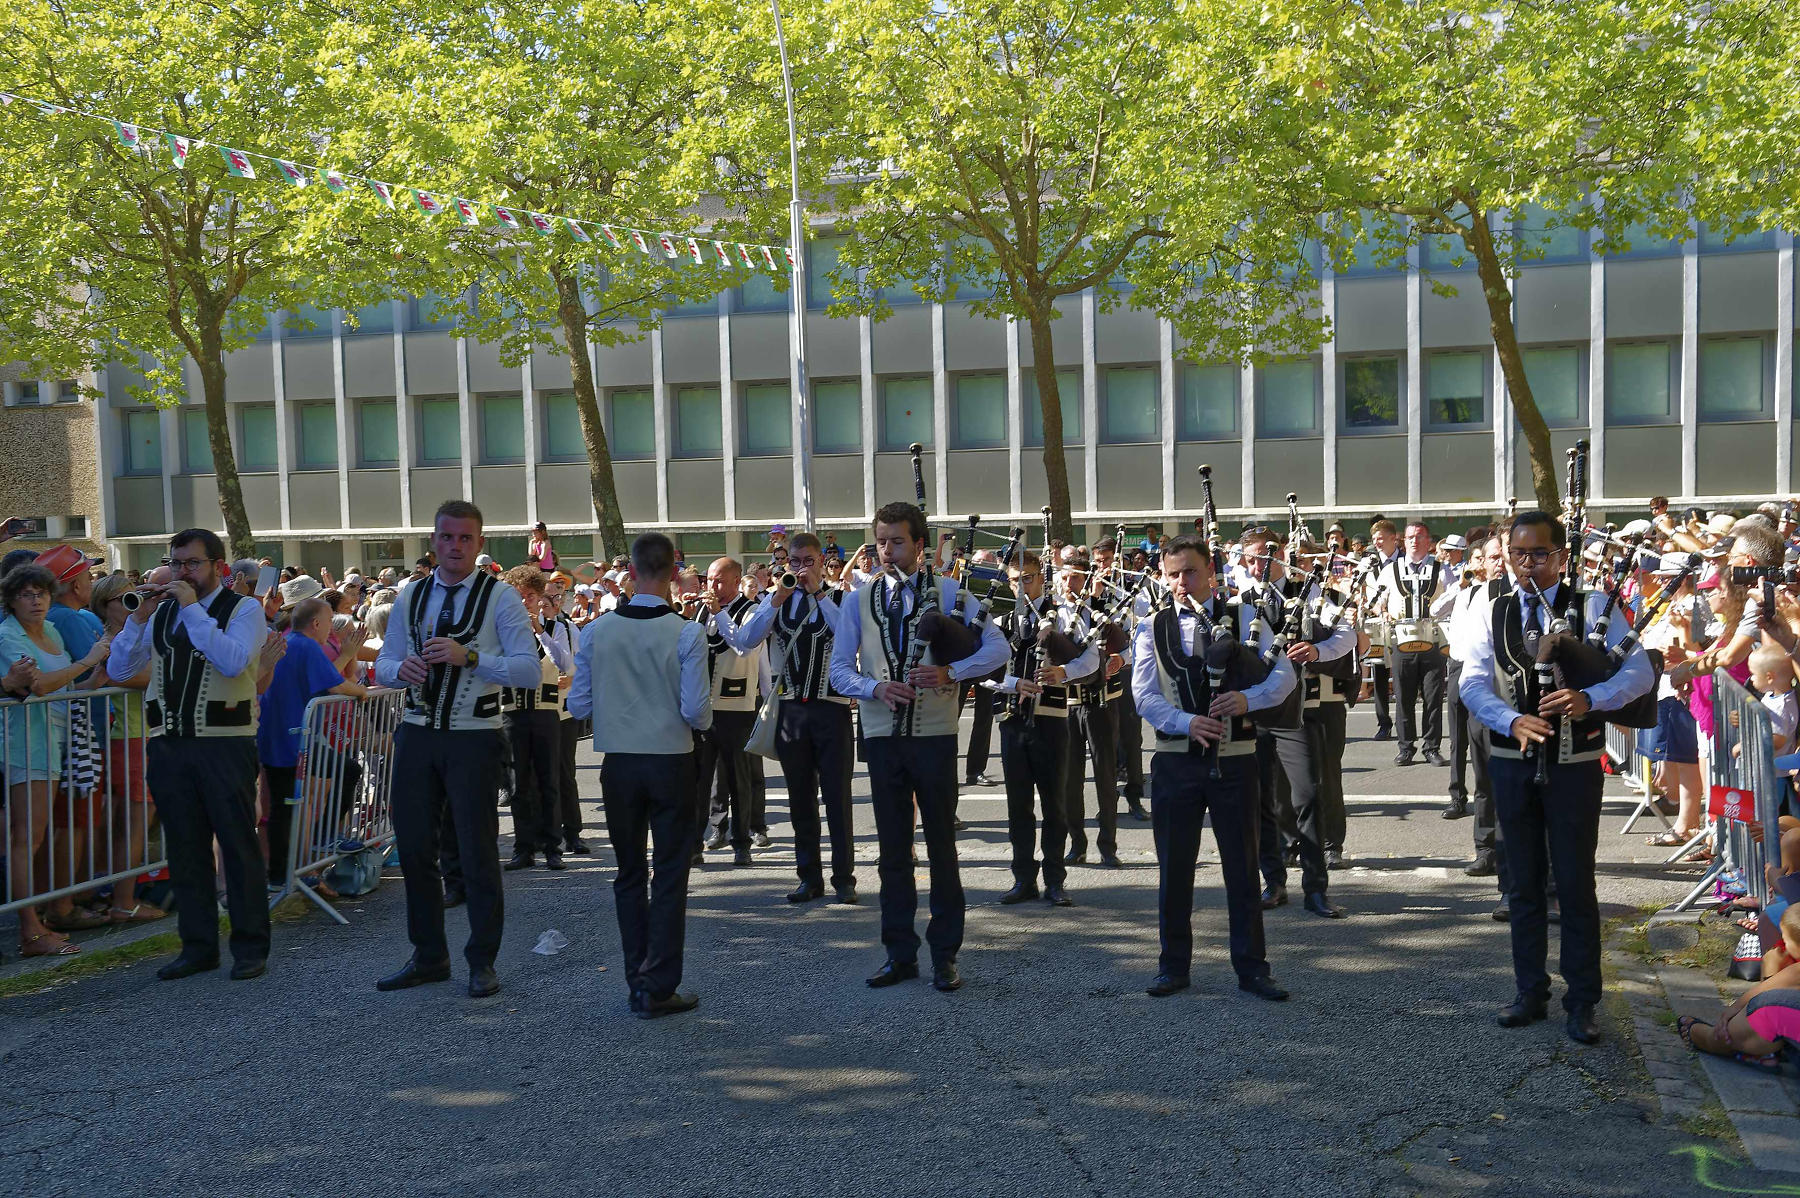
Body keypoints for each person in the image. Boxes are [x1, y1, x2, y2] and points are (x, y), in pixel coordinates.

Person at [1460, 510, 1654, 1044]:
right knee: (1521, 882)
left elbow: (1640, 673)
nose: (1527, 565)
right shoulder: (1488, 607)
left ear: (1561, 557)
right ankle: (1529, 991)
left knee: (1574, 883)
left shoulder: (1592, 606)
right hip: (1511, 760)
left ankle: (1582, 1000)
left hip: (1574, 765)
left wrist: (1590, 697)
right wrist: (1510, 719)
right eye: (1517, 554)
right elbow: (1473, 683)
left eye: (1539, 554)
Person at [829, 500, 1008, 992]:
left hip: (933, 736)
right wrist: (875, 688)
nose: (887, 551)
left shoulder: (952, 592)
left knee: (942, 848)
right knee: (891, 850)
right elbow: (839, 668)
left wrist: (952, 670)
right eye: (881, 541)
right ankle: (898, 953)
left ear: (920, 544)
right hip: (882, 736)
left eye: (897, 541)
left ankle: (946, 954)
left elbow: (999, 649)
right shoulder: (857, 600)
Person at [373, 501, 541, 999]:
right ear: (434, 540)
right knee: (417, 849)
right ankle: (428, 956)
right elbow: (384, 661)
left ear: (479, 543)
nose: (455, 546)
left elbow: (528, 670)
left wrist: (471, 656)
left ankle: (482, 960)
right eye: (447, 537)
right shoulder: (411, 594)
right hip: (418, 731)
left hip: (475, 734)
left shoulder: (502, 598)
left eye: (466, 539)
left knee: (477, 849)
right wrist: (398, 670)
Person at [1132, 535, 1295, 1001]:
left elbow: (1285, 677)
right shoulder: (1151, 626)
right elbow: (1144, 695)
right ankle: (1172, 966)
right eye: (1173, 574)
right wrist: (1187, 722)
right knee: (1175, 868)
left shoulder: (1246, 616)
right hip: (1175, 762)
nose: (1182, 582)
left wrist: (1248, 698)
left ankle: (1252, 968)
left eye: (1191, 572)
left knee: (1242, 869)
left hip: (1237, 760)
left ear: (1211, 574)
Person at [106, 529, 270, 981]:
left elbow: (233, 661)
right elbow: (119, 670)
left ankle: (251, 946)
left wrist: (193, 609)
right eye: (176, 563)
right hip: (170, 746)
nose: (181, 572)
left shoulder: (245, 609)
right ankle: (198, 947)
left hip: (225, 743)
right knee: (185, 849)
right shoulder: (161, 616)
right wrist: (136, 623)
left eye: (192, 564)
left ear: (218, 566)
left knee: (236, 846)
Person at [567, 532, 712, 1018]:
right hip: (670, 757)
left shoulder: (596, 631)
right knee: (670, 873)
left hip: (620, 762)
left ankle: (637, 981)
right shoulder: (687, 632)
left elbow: (578, 703)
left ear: (631, 572)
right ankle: (659, 983)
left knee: (629, 872)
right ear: (674, 572)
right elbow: (697, 712)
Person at [712, 532, 859, 904]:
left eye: (808, 561)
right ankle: (809, 877)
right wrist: (774, 601)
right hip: (792, 711)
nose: (800, 569)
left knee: (838, 798)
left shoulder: (841, 598)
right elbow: (745, 641)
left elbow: (848, 635)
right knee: (800, 799)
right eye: (794, 562)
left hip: (832, 708)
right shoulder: (776, 600)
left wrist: (818, 594)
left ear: (821, 563)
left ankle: (844, 878)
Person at [2, 564, 113, 957]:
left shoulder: (49, 631)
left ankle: (37, 923)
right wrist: (87, 661)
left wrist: (93, 680)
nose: (35, 600)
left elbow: (65, 686)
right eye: (26, 594)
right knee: (25, 839)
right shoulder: (7, 635)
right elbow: (39, 686)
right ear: (12, 601)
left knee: (35, 837)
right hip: (25, 744)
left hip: (55, 743)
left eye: (42, 593)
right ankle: (29, 931)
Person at [987, 550, 1097, 906]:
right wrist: (1012, 684)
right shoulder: (1001, 621)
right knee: (1018, 807)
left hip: (1051, 721)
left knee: (1055, 804)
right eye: (1016, 580)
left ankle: (1055, 880)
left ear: (1041, 577)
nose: (1023, 586)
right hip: (1012, 722)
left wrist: (1062, 672)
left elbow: (1091, 658)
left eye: (1029, 578)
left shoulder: (1065, 616)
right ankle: (1023, 879)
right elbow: (984, 673)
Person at [257, 597, 368, 885]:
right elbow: (336, 684)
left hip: (276, 733)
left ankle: (280, 873)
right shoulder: (306, 645)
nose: (330, 628)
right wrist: (361, 692)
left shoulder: (287, 640)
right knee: (347, 770)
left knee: (283, 806)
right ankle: (326, 837)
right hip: (292, 736)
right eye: (329, 622)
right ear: (316, 623)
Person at [85, 573, 163, 924]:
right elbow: (126, 676)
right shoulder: (108, 639)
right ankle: (123, 902)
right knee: (132, 824)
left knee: (125, 824)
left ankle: (112, 896)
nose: (132, 603)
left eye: (135, 595)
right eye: (123, 599)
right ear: (104, 607)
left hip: (136, 735)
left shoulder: (136, 633)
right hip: (128, 737)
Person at [498, 565, 574, 872]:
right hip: (513, 712)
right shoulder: (501, 629)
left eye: (530, 596)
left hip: (546, 711)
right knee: (519, 784)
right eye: (519, 596)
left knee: (548, 780)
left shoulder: (557, 627)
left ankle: (552, 847)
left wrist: (540, 631)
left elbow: (566, 664)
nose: (525, 602)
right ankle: (523, 848)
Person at [698, 558, 767, 866]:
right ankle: (700, 840)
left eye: (719, 581)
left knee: (739, 777)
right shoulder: (702, 611)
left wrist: (716, 612)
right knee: (700, 780)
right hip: (703, 708)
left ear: (737, 581)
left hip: (737, 708)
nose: (713, 587)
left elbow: (743, 647)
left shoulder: (751, 611)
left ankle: (741, 842)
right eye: (710, 581)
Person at [1379, 520, 1449, 766]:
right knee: (1403, 697)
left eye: (1420, 536)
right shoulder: (1391, 569)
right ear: (1403, 541)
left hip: (1432, 641)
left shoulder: (1442, 568)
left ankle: (1432, 747)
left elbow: (1454, 599)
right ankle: (1406, 747)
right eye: (1410, 537)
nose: (1414, 541)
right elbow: (1379, 599)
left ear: (1428, 541)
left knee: (1433, 697)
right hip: (1403, 640)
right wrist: (1383, 610)